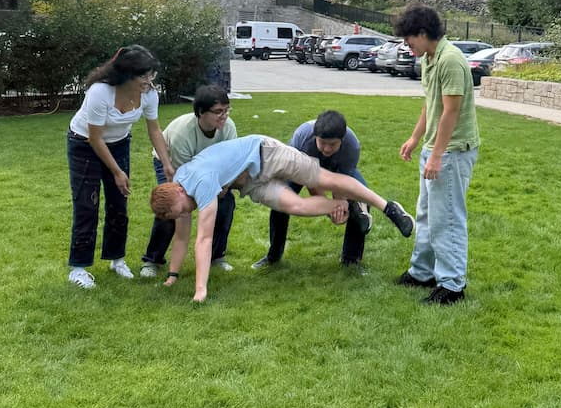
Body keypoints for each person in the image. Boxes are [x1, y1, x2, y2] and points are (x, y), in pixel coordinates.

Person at [149, 134, 415, 303]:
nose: (184, 214)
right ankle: (346, 203)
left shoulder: (201, 183)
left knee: (324, 178)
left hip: (266, 153)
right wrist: (172, 274)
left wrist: (200, 290)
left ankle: (387, 206)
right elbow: (182, 236)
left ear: (180, 191)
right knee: (296, 206)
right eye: (178, 214)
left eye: (181, 209)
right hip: (249, 182)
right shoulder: (179, 188)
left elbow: (203, 239)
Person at [66, 44, 174, 289]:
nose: (149, 81)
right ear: (126, 75)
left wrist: (166, 162)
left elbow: (154, 129)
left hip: (119, 143)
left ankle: (117, 259)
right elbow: (95, 138)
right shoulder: (100, 93)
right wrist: (116, 172)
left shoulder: (148, 95)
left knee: (119, 204)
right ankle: (79, 268)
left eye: (151, 75)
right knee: (87, 204)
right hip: (84, 144)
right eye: (144, 76)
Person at [394, 5, 479, 305]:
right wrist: (416, 139)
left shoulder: (451, 60)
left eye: (409, 40)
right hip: (435, 149)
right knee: (427, 214)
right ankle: (422, 272)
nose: (407, 46)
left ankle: (452, 285)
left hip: (452, 152)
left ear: (423, 33)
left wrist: (437, 156)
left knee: (448, 219)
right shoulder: (430, 59)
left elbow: (451, 112)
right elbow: (430, 105)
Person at [252, 110, 371, 270]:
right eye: (322, 143)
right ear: (315, 137)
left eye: (333, 144)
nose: (327, 149)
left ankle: (351, 260)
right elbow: (311, 183)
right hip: (297, 169)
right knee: (279, 199)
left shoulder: (352, 146)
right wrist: (330, 210)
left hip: (336, 168)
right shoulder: (303, 140)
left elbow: (342, 184)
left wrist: (341, 206)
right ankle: (273, 256)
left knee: (363, 200)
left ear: (341, 140)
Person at [141, 84, 237, 279]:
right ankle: (153, 259)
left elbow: (231, 162)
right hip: (171, 164)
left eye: (227, 110)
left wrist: (223, 186)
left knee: (226, 203)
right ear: (201, 112)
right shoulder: (182, 133)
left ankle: (217, 256)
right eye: (218, 111)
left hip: (210, 167)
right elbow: (183, 179)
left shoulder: (229, 127)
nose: (224, 116)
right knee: (172, 208)